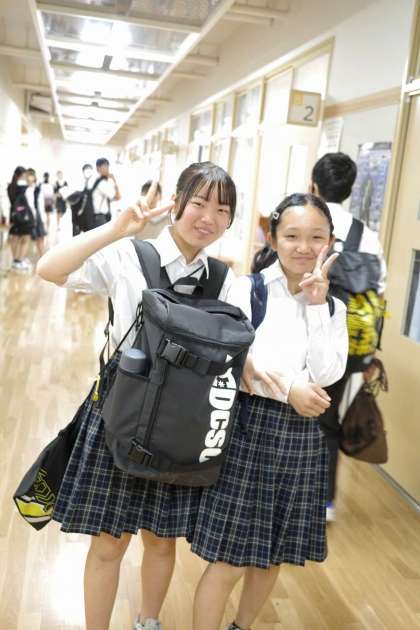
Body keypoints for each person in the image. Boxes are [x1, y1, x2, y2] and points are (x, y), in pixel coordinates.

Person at [36, 161, 237, 630]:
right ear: (177, 203)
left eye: (223, 209)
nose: (208, 217)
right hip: (121, 414)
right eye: (200, 202)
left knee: (162, 540)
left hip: (180, 422)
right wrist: (116, 227)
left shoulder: (222, 279)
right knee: (109, 542)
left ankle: (149, 621)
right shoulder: (130, 255)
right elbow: (49, 269)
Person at [191, 193, 348, 630]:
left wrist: (317, 305)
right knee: (228, 558)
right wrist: (290, 389)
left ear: (329, 242)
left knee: (272, 555)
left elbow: (327, 373)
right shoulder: (249, 289)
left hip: (301, 439)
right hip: (248, 430)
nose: (304, 247)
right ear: (273, 239)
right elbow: (239, 362)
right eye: (292, 236)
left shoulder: (333, 306)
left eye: (316, 237)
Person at [310, 152, 387, 522]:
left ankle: (285, 492)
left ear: (314, 185)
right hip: (346, 344)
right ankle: (324, 502)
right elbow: (379, 292)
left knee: (288, 413)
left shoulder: (303, 220)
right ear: (350, 189)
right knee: (327, 419)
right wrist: (370, 352)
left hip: (304, 334)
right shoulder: (367, 236)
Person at [7, 166, 33, 270]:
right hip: (24, 215)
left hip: (14, 215)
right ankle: (20, 260)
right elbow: (30, 203)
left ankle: (15, 261)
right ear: (22, 175)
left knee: (15, 237)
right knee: (26, 238)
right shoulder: (25, 187)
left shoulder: (10, 186)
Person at [89, 157, 121, 228]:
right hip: (100, 218)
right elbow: (118, 197)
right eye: (105, 167)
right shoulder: (102, 183)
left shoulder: (96, 180)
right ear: (98, 168)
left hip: (96, 217)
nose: (107, 169)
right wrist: (114, 180)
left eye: (107, 167)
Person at [26, 168, 47, 258]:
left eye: (31, 175)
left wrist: (43, 218)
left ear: (34, 177)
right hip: (28, 216)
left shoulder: (38, 189)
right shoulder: (25, 189)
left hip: (37, 215)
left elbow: (41, 204)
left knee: (40, 238)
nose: (30, 177)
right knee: (28, 239)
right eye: (28, 175)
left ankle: (42, 257)